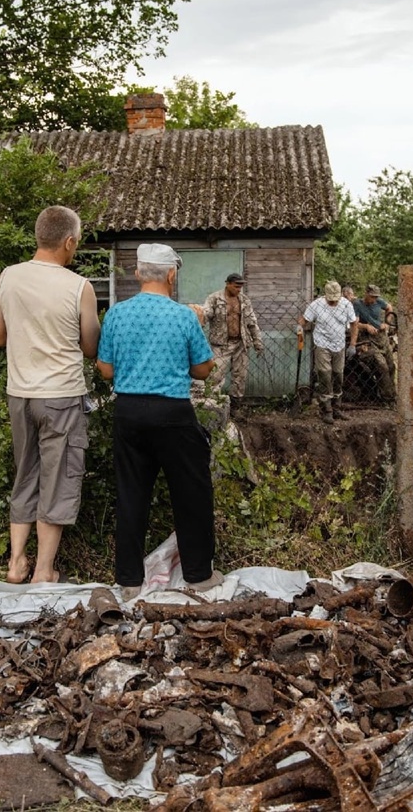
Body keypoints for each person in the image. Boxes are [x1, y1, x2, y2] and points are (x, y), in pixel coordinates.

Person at [97, 243, 221, 602]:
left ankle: (130, 580)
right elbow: (203, 368)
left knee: (131, 493)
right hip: (173, 414)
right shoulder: (184, 316)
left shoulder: (117, 315)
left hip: (129, 412)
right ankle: (198, 575)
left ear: (137, 273)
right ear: (171, 274)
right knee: (192, 493)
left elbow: (105, 369)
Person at [0, 205, 100, 585]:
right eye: (77, 243)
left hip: (19, 393)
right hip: (62, 397)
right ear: (68, 242)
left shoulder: (8, 277)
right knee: (59, 479)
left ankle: (16, 561)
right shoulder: (79, 286)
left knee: (26, 474)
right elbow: (90, 346)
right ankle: (43, 570)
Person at [201, 272, 264, 416]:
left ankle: (235, 408)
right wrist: (201, 315)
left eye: (241, 287)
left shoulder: (244, 300)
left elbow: (252, 322)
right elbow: (206, 313)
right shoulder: (215, 299)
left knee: (240, 376)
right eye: (236, 286)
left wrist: (257, 341)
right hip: (221, 344)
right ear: (228, 284)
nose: (239, 289)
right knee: (215, 375)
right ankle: (212, 406)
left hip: (241, 343)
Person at [301, 280, 357, 424]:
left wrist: (352, 344)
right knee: (324, 374)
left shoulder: (346, 304)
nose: (333, 302)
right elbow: (303, 319)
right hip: (322, 343)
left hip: (339, 344)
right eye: (330, 300)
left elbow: (353, 324)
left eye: (335, 299)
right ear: (326, 296)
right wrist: (299, 328)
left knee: (338, 374)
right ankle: (326, 409)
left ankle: (336, 407)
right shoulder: (317, 305)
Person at [352, 283, 396, 403]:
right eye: (372, 296)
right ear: (366, 294)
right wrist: (365, 326)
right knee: (382, 366)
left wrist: (387, 322)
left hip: (381, 336)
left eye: (376, 297)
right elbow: (354, 323)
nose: (374, 299)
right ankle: (388, 397)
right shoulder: (357, 304)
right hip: (367, 338)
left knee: (391, 366)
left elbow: (389, 307)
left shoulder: (379, 302)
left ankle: (392, 392)